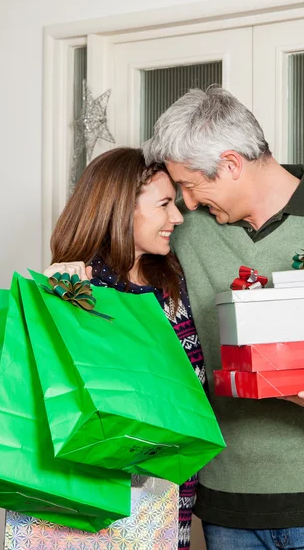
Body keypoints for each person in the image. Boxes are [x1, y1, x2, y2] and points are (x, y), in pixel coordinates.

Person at [143, 86, 304, 550]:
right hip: (228, 511)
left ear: (232, 164)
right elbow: (119, 270)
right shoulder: (181, 231)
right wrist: (70, 274)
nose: (187, 203)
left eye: (193, 185)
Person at [44, 146, 207, 550]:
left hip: (170, 490)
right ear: (121, 209)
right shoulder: (76, 287)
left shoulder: (170, 278)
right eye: (165, 204)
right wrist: (52, 296)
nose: (178, 217)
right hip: (97, 495)